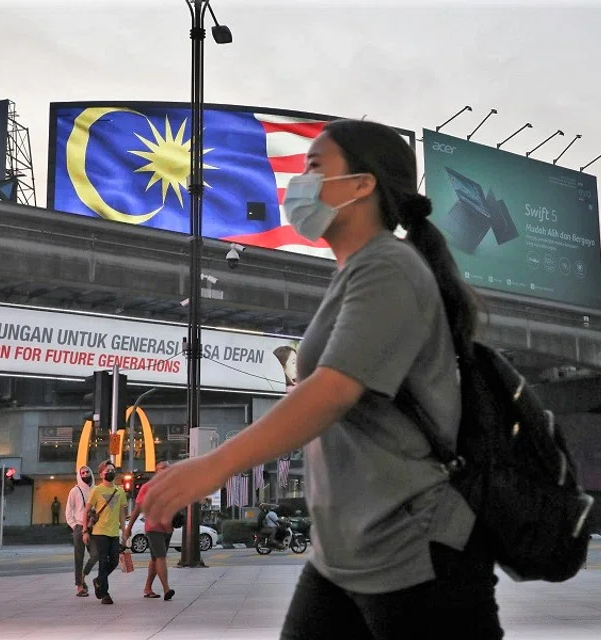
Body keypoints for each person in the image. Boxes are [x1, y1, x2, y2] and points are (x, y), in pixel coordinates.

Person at [142, 119, 503, 638]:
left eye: (315, 167)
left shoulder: (389, 268)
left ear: (362, 184)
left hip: (416, 554)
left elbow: (332, 392)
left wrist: (215, 465)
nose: (299, 183)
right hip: (345, 555)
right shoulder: (354, 273)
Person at [124, 460, 175, 601]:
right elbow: (137, 509)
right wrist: (128, 529)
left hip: (167, 527)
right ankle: (166, 589)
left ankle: (148, 588)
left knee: (155, 559)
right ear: (156, 471)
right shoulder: (148, 488)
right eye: (163, 469)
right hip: (153, 527)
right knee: (161, 557)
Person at [83, 460, 126, 605]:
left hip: (114, 532)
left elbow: (121, 513)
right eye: (107, 470)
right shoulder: (97, 490)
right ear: (101, 474)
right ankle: (105, 593)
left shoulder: (119, 491)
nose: (110, 472)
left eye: (112, 470)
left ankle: (98, 581)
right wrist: (85, 530)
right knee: (103, 560)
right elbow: (87, 511)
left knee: (114, 560)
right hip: (99, 532)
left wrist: (125, 532)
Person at [65, 465, 98, 597]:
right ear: (79, 475)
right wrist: (74, 526)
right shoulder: (75, 491)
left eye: (87, 472)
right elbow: (68, 511)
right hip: (79, 526)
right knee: (78, 557)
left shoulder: (96, 489)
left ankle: (83, 575)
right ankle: (79, 586)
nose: (85, 474)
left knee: (96, 554)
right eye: (82, 472)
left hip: (94, 527)